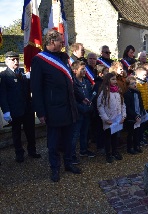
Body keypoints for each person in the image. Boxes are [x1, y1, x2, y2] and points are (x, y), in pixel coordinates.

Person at [31, 30, 81, 182]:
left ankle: (68, 163)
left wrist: (82, 98)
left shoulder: (63, 57)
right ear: (52, 42)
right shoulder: (39, 60)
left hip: (69, 107)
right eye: (60, 41)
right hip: (53, 110)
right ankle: (55, 168)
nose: (63, 43)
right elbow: (36, 89)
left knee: (69, 140)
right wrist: (40, 112)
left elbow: (71, 82)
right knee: (53, 143)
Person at [0, 51, 41, 163]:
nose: (16, 61)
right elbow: (2, 95)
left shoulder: (23, 73)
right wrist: (6, 111)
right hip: (14, 110)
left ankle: (32, 151)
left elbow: (30, 89)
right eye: (13, 59)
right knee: (16, 133)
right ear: (7, 61)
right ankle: (19, 153)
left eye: (17, 59)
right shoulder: (4, 75)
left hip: (27, 108)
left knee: (30, 132)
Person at [97, 72, 126, 163]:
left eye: (115, 79)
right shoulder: (104, 92)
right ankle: (108, 154)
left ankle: (115, 151)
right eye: (112, 79)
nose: (115, 81)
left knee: (115, 137)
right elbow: (100, 106)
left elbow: (122, 104)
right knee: (108, 137)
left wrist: (123, 116)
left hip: (118, 119)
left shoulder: (118, 91)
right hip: (109, 120)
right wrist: (106, 119)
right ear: (107, 80)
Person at [71, 60, 95, 165]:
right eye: (82, 69)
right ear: (75, 70)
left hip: (87, 112)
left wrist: (89, 106)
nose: (85, 71)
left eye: (85, 69)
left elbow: (90, 94)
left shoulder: (86, 82)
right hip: (78, 112)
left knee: (85, 132)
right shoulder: (72, 83)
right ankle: (71, 156)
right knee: (75, 134)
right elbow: (73, 99)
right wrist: (82, 108)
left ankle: (83, 150)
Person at [123, 76, 146, 154]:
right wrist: (134, 115)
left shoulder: (138, 92)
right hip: (131, 116)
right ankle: (130, 148)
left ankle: (137, 145)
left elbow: (140, 102)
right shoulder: (127, 94)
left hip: (138, 114)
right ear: (128, 85)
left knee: (137, 132)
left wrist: (142, 110)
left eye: (135, 83)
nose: (134, 85)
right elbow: (127, 107)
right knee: (131, 133)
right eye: (132, 83)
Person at [92, 64, 109, 153]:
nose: (108, 73)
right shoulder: (98, 84)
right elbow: (95, 99)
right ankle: (100, 146)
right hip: (100, 112)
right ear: (100, 74)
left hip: (106, 110)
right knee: (100, 129)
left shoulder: (105, 83)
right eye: (106, 72)